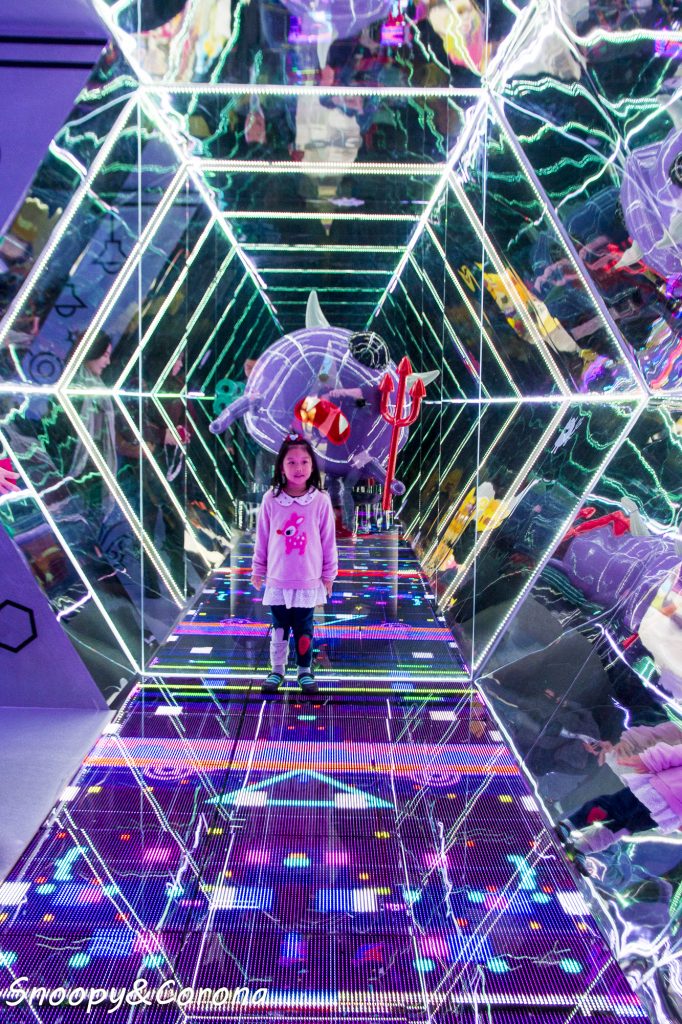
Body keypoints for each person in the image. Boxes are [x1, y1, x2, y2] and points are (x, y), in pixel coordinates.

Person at [251, 433, 338, 694]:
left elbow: (328, 540)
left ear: (312, 466)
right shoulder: (271, 499)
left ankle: (304, 670)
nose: (298, 468)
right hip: (278, 579)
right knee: (279, 627)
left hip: (308, 579)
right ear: (281, 466)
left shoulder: (320, 500)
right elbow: (262, 537)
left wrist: (329, 575)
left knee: (304, 627)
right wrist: (258, 569)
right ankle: (277, 669)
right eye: (291, 462)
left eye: (304, 462)